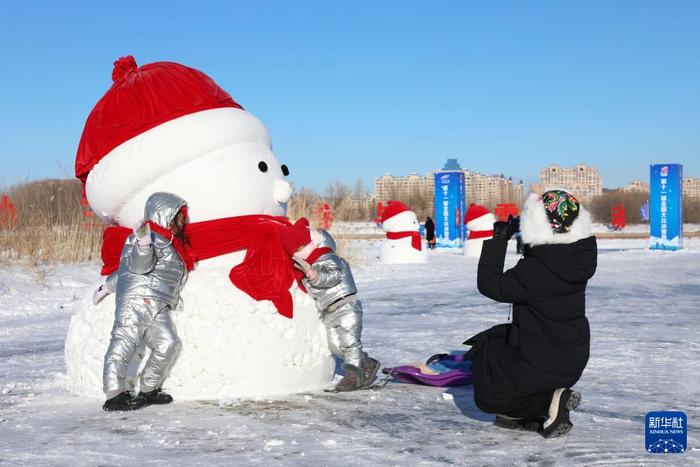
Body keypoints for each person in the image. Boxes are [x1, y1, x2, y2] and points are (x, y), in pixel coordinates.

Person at [464, 190, 597, 438]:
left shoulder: (535, 271)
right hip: (573, 356)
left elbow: (490, 284)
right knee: (505, 352)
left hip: (540, 360)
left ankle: (549, 401)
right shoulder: (577, 261)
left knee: (489, 386)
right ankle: (531, 411)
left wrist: (498, 240)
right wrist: (529, 241)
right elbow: (550, 257)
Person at [93, 192, 195, 411]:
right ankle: (114, 394)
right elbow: (138, 267)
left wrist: (107, 286)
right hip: (136, 302)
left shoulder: (169, 243)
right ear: (164, 214)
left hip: (159, 304)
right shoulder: (143, 238)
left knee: (168, 343)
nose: (183, 221)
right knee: (124, 342)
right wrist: (143, 244)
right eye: (179, 217)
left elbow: (124, 272)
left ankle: (148, 388)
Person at [282, 218, 380, 391]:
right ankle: (366, 363)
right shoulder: (309, 265)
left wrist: (313, 275)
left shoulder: (326, 256)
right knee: (335, 345)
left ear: (309, 243)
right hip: (329, 310)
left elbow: (332, 276)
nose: (298, 253)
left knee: (349, 343)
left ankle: (353, 376)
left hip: (345, 305)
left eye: (299, 248)